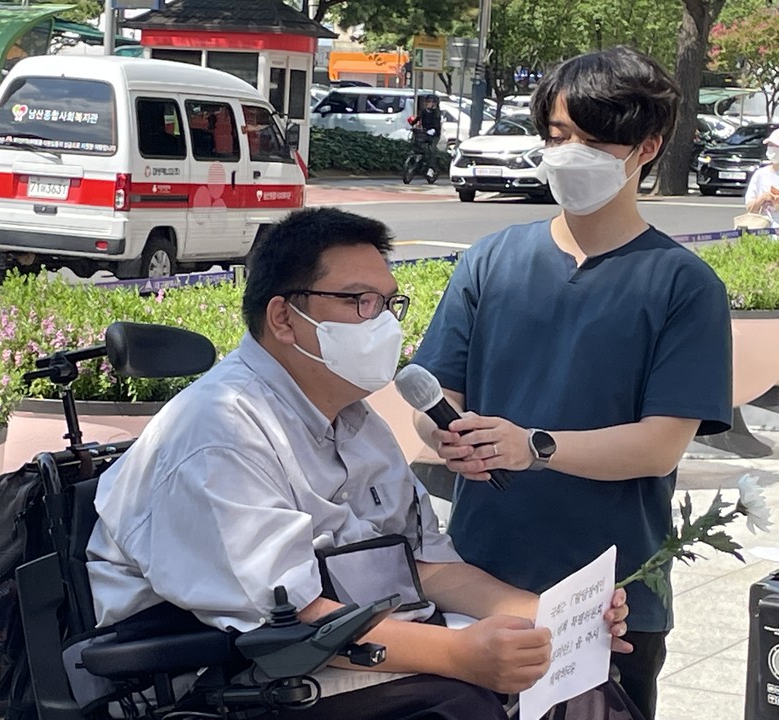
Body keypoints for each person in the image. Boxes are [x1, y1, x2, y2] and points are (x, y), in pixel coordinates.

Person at [87, 206, 641, 720]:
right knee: (461, 703)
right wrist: (459, 653)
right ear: (283, 317)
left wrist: (549, 618)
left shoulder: (354, 418)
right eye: (360, 302)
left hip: (346, 645)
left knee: (582, 689)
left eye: (388, 303)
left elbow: (428, 566)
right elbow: (290, 624)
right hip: (226, 671)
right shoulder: (220, 434)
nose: (383, 324)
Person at [409, 46, 732, 720]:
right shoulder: (493, 259)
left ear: (648, 146)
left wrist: (535, 446)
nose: (569, 154)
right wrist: (447, 436)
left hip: (613, 600)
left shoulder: (683, 285)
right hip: (480, 582)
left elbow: (661, 446)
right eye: (557, 137)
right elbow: (437, 397)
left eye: (593, 140)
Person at [744, 128, 779, 227]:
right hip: (764, 233)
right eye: (770, 145)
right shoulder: (760, 174)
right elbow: (750, 208)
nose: (771, 148)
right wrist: (762, 198)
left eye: (775, 146)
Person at [409, 94, 442, 178]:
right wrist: (412, 122)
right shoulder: (423, 111)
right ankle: (418, 159)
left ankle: (432, 168)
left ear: (434, 104)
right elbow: (417, 119)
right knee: (417, 143)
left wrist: (433, 130)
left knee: (431, 150)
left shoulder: (436, 113)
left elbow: (437, 125)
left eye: (430, 102)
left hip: (434, 135)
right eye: (427, 102)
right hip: (424, 132)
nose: (428, 103)